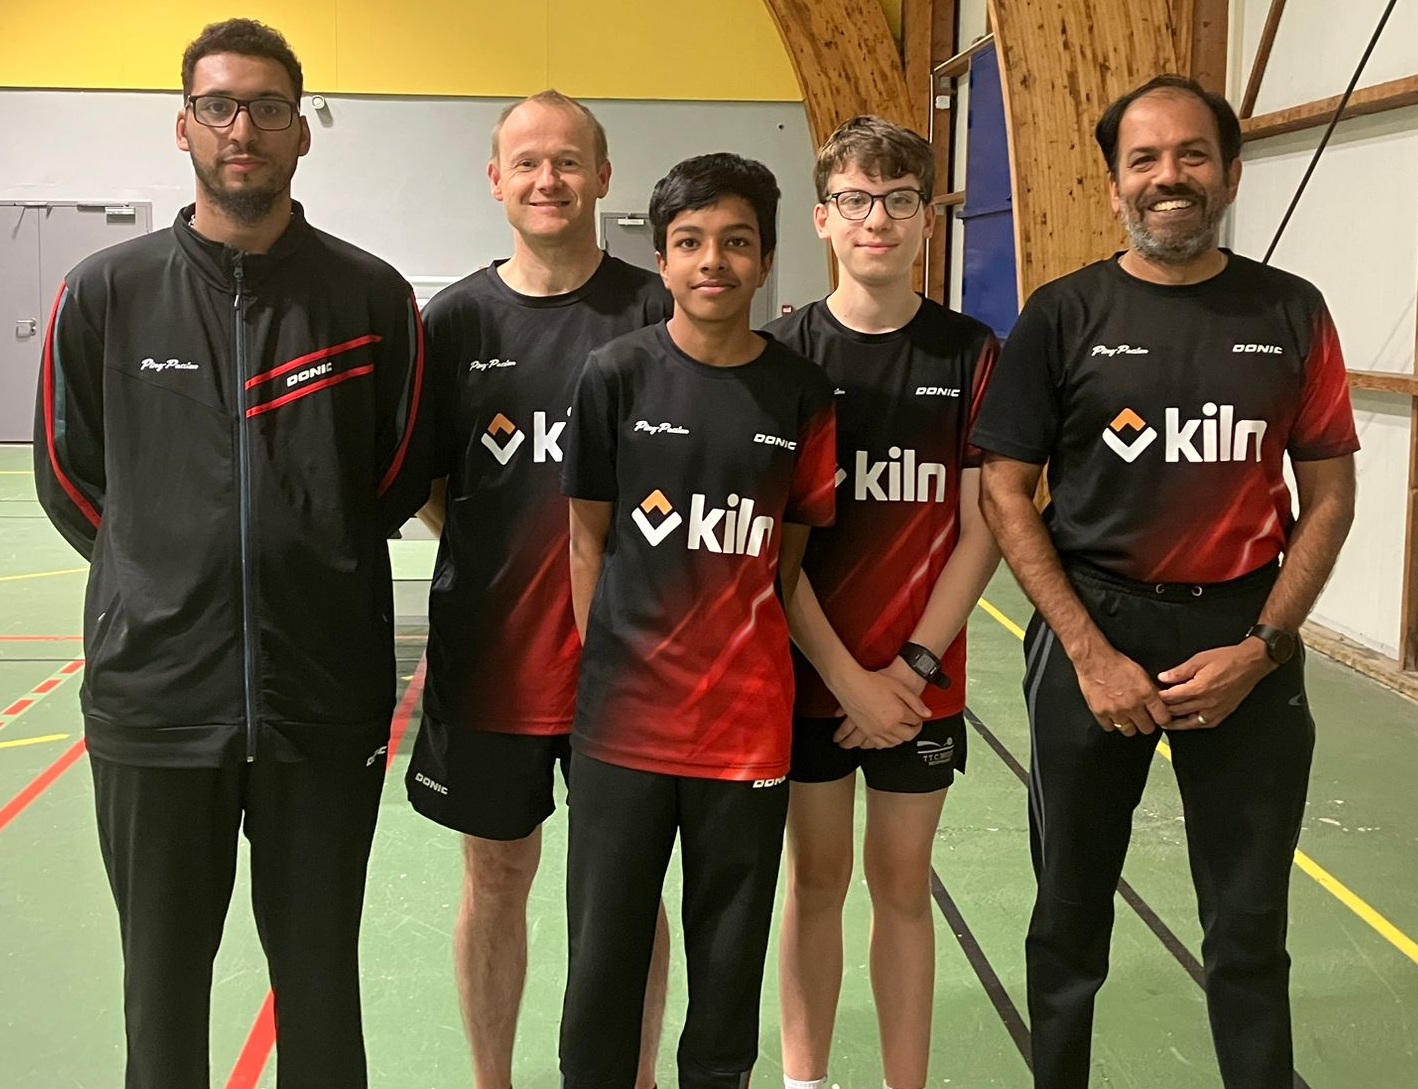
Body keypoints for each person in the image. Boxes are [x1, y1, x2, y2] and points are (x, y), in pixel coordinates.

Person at [32, 18, 429, 1089]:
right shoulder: (106, 293)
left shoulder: (369, 297)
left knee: (320, 989)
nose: (241, 128)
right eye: (218, 106)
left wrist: (312, 562)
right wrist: (158, 570)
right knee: (162, 996)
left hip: (322, 699)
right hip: (155, 701)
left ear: (302, 130)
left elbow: (395, 474)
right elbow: (70, 476)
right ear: (184, 126)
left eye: (267, 107)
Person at [972, 75, 1358, 1089]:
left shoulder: (1290, 311)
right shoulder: (1063, 314)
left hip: (1243, 634)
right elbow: (1005, 491)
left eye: (1191, 154)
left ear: (1229, 174)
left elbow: (1327, 497)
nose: (1167, 176)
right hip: (1092, 632)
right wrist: (1088, 653)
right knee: (1067, 918)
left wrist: (1261, 648)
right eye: (1142, 159)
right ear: (1113, 187)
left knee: (1248, 926)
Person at [404, 90, 672, 1089]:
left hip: (631, 670)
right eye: (526, 162)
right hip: (493, 665)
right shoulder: (454, 321)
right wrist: (501, 559)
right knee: (496, 874)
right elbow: (434, 485)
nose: (547, 179)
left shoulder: (656, 309)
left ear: (602, 176)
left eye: (566, 161)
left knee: (625, 890)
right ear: (495, 180)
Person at [557, 152, 837, 1089]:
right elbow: (586, 540)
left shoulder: (801, 394)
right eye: (690, 242)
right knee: (603, 959)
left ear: (766, 260)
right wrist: (611, 676)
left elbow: (784, 560)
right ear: (663, 259)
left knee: (728, 963)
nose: (713, 260)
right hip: (622, 730)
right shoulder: (614, 375)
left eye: (736, 242)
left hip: (747, 729)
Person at [765, 116, 1000, 1089]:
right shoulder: (780, 355)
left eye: (899, 200)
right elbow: (772, 552)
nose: (877, 219)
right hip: (807, 678)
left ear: (925, 221)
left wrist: (907, 669)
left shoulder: (969, 353)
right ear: (822, 217)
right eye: (856, 200)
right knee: (814, 881)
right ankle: (804, 1080)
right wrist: (845, 678)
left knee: (903, 884)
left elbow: (984, 527)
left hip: (918, 683)